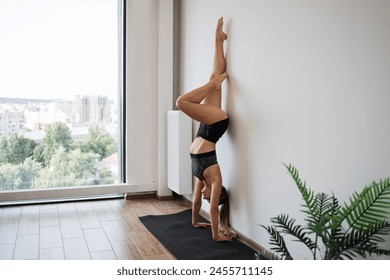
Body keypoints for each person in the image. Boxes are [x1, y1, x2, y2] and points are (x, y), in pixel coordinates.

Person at [176, 17, 236, 242]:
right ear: (218, 194)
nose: (204, 196)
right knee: (181, 102)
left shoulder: (202, 177)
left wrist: (194, 221)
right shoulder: (216, 178)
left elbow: (196, 202)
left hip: (206, 128)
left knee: (214, 75)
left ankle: (219, 41)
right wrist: (216, 236)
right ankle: (212, 84)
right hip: (217, 124)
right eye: (209, 197)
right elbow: (212, 210)